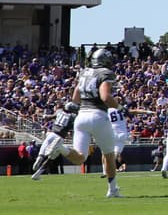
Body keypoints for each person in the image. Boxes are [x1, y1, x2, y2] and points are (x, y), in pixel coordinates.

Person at [63, 48, 124, 197]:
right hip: (98, 115)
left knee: (79, 158)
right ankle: (112, 189)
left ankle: (60, 148)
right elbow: (105, 97)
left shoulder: (84, 72)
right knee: (109, 155)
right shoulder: (106, 73)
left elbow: (76, 95)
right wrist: (119, 107)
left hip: (81, 116)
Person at [30, 101, 79, 180]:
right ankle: (38, 173)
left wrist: (44, 116)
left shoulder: (59, 112)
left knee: (44, 147)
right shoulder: (73, 117)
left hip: (51, 133)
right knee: (51, 158)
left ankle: (40, 157)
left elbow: (49, 117)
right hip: (60, 137)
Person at [106, 102, 130, 174]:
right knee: (116, 154)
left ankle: (107, 169)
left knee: (108, 152)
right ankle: (111, 168)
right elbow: (134, 111)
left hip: (113, 133)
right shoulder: (122, 109)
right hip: (122, 134)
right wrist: (147, 112)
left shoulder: (108, 110)